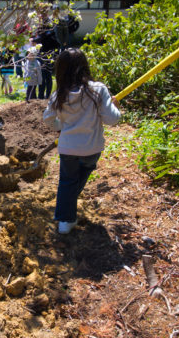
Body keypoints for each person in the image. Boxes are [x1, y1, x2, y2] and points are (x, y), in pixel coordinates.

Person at [42, 48, 121, 234]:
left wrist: (60, 124)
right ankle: (67, 212)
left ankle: (65, 220)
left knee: (68, 182)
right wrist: (114, 106)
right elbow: (112, 119)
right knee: (78, 179)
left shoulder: (59, 94)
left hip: (68, 148)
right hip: (91, 148)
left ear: (60, 70)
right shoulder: (98, 90)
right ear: (85, 66)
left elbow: (48, 119)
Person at [32, 5, 59, 99]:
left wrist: (34, 39)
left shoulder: (47, 22)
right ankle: (42, 95)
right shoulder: (42, 22)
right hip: (43, 50)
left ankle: (46, 96)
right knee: (43, 73)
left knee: (46, 73)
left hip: (48, 51)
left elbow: (45, 35)